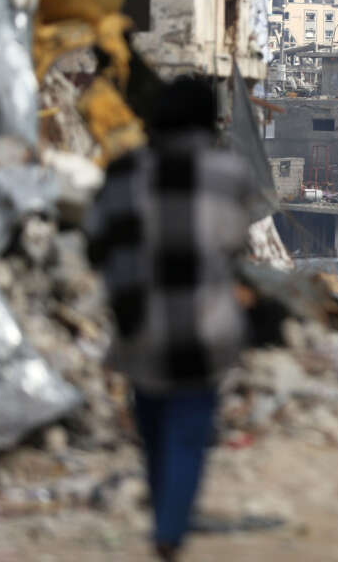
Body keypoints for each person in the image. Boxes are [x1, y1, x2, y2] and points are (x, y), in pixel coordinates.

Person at [86, 76, 253, 562]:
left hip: (140, 327)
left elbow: (97, 243)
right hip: (204, 328)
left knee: (154, 428)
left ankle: (165, 518)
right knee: (187, 432)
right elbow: (234, 242)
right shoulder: (228, 173)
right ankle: (170, 529)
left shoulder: (123, 173)